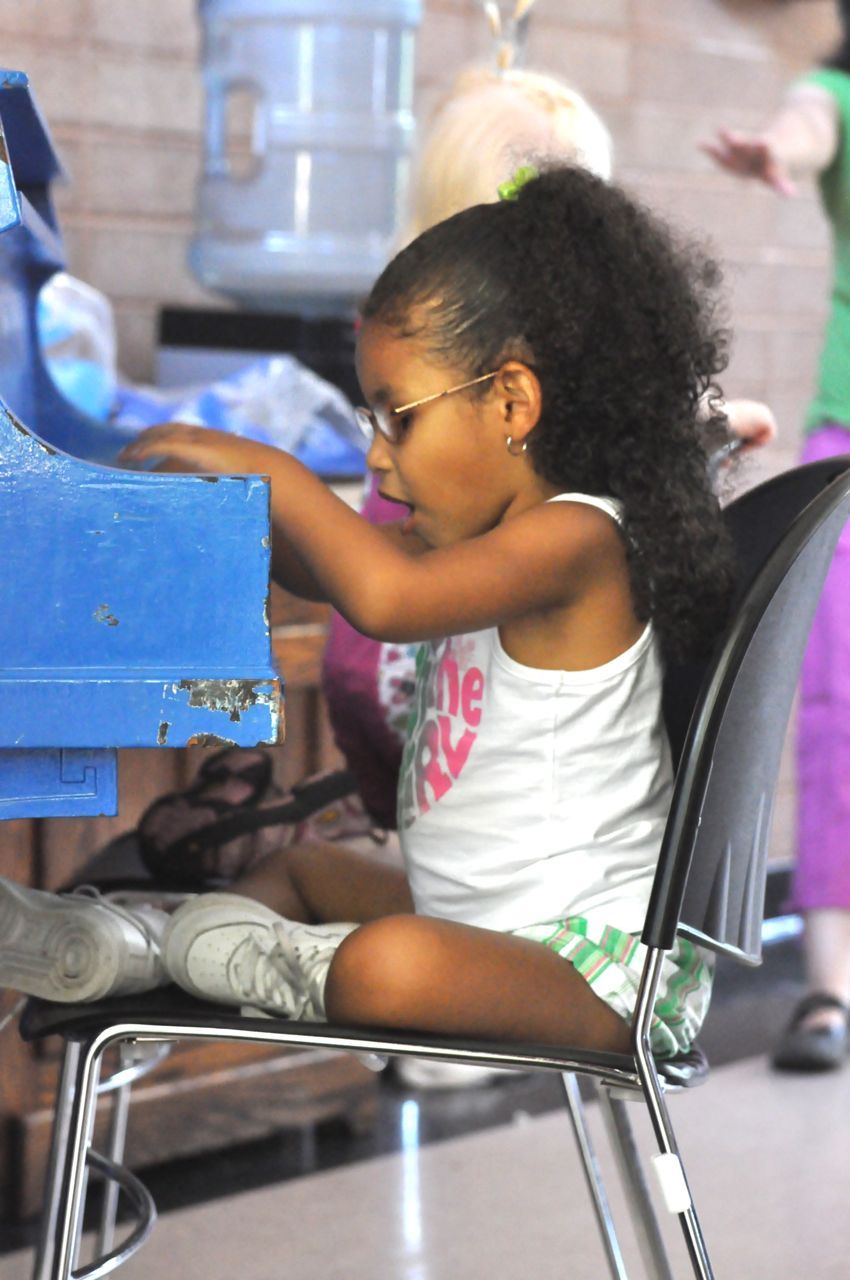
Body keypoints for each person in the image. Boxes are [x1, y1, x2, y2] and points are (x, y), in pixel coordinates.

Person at [0, 163, 736, 1061]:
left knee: (389, 966)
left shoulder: (579, 542)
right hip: (476, 925)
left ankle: (261, 963)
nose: (381, 460)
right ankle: (153, 956)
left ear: (512, 402)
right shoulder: (479, 543)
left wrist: (276, 469)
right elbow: (331, 572)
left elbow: (385, 601)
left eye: (399, 419)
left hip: (592, 972)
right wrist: (224, 504)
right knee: (301, 870)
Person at [702, 0, 850, 1071]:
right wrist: (776, 146)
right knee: (835, 708)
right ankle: (831, 990)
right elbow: (810, 117)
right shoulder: (835, 92)